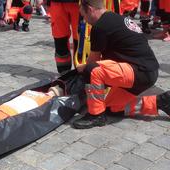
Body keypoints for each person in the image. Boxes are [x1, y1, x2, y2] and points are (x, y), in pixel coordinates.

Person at [72, 0, 170, 129]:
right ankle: (161, 102)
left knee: (92, 69)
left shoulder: (100, 26)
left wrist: (80, 69)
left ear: (90, 9)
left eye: (83, 15)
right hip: (146, 71)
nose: (85, 20)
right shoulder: (116, 18)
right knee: (112, 108)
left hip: (138, 71)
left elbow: (93, 62)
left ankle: (96, 116)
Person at [50, 0, 79, 74]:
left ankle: (82, 74)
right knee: (60, 40)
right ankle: (64, 74)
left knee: (81, 41)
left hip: (81, 4)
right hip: (57, 4)